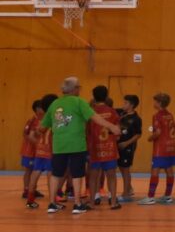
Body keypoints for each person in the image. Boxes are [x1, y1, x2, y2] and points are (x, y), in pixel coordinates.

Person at [36, 77, 121, 214]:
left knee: (56, 174)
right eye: (79, 87)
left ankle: (52, 204)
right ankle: (77, 204)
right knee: (77, 174)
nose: (79, 90)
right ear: (75, 89)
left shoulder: (55, 104)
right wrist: (111, 126)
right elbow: (95, 117)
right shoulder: (79, 102)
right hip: (76, 145)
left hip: (59, 145)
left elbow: (42, 127)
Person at [139, 93, 175, 205]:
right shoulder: (170, 115)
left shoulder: (157, 116)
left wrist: (150, 138)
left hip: (160, 148)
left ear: (159, 103)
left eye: (155, 101)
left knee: (155, 170)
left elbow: (158, 132)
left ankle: (150, 197)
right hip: (170, 146)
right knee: (169, 170)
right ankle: (168, 195)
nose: (154, 103)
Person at [87, 85, 121, 209]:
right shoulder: (112, 111)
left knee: (93, 176)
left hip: (95, 149)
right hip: (109, 149)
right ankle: (113, 202)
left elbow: (86, 132)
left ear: (93, 97)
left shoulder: (90, 112)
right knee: (111, 175)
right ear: (106, 96)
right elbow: (118, 132)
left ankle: (91, 203)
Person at [25, 97, 54, 210]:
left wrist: (39, 144)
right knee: (51, 175)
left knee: (35, 172)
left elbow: (32, 135)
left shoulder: (40, 119)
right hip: (50, 151)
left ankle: (30, 200)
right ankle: (53, 201)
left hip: (40, 151)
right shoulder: (53, 118)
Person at [116, 94, 143, 201]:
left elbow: (138, 134)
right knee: (121, 167)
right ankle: (130, 188)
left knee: (126, 169)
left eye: (126, 103)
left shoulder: (136, 119)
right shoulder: (121, 113)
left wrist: (126, 143)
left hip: (128, 147)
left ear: (132, 105)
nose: (123, 104)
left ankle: (125, 193)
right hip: (119, 145)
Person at [21, 101, 42, 200]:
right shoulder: (32, 120)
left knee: (35, 170)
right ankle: (26, 190)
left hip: (37, 151)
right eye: (41, 107)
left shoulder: (41, 120)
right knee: (28, 170)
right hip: (29, 151)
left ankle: (32, 189)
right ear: (37, 109)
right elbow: (25, 134)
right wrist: (38, 144)